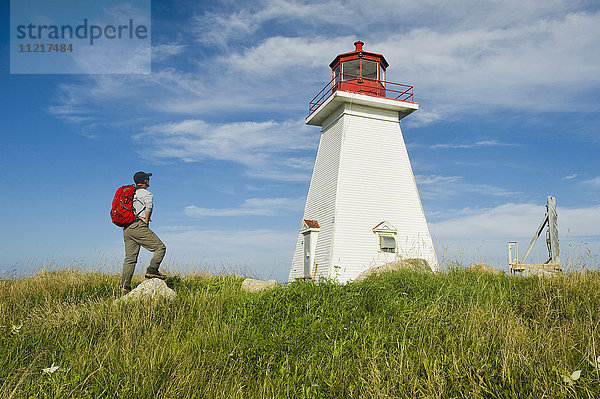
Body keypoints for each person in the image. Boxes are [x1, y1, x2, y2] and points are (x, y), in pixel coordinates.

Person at [121, 171, 167, 294]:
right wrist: (146, 220)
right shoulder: (146, 194)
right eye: (148, 178)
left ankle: (125, 287)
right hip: (138, 226)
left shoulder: (131, 194)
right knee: (160, 248)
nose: (149, 180)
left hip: (127, 228)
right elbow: (149, 207)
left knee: (130, 259)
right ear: (145, 181)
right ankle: (152, 270)